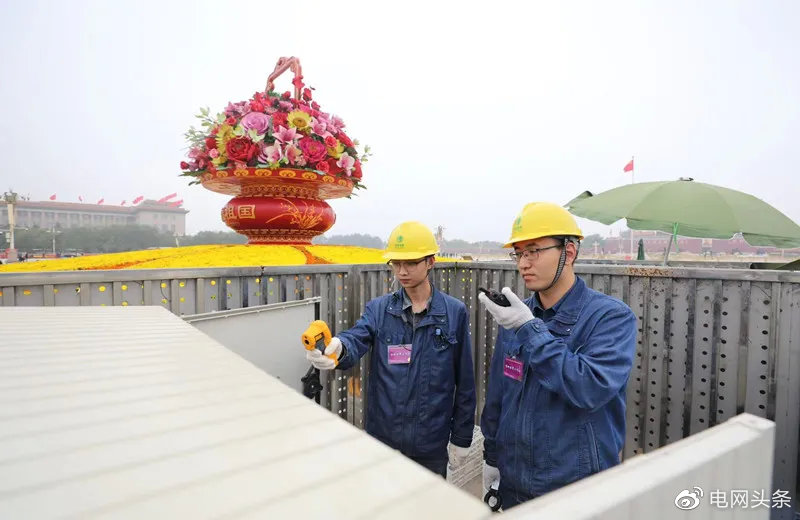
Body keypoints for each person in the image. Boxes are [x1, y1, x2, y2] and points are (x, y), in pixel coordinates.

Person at [478, 202, 637, 508]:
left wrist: (530, 329)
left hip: (577, 490)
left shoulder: (611, 318)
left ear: (570, 252)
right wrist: (492, 457)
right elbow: (499, 395)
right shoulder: (517, 317)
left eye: (534, 250)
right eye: (520, 253)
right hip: (514, 485)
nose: (524, 262)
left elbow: (589, 387)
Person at [306, 221, 477, 477]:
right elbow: (357, 338)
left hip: (430, 443)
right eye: (396, 263)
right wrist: (338, 349)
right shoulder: (379, 309)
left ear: (430, 261)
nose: (402, 271)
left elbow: (464, 382)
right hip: (382, 440)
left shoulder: (454, 313)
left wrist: (461, 438)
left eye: (410, 263)